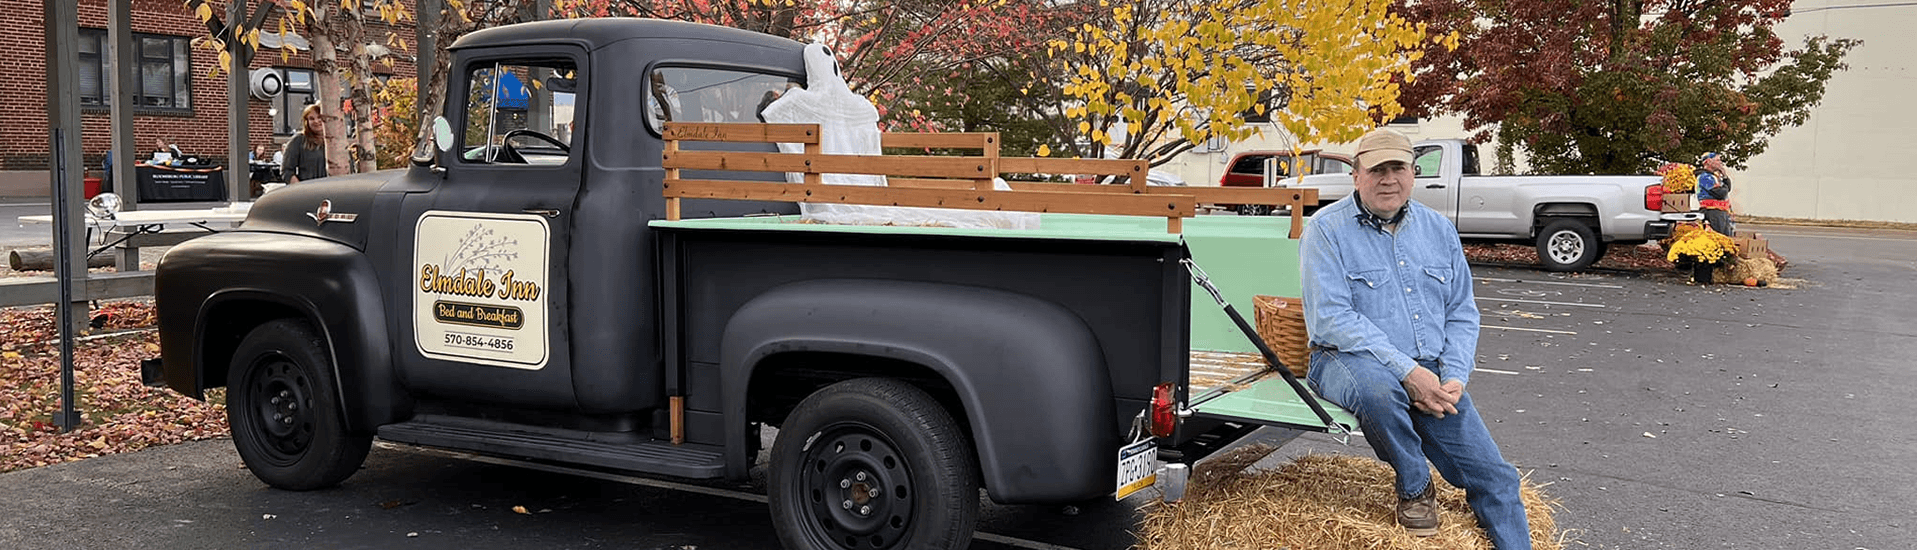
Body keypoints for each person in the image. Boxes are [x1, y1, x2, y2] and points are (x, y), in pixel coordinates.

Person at [1300, 128, 1530, 549]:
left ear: (1413, 174)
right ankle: (1415, 485)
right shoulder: (1325, 229)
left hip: (1431, 368)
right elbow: (1331, 319)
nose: (1389, 179)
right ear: (1356, 175)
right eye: (1377, 170)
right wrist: (1409, 372)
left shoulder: (1439, 230)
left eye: (1398, 168)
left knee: (1496, 478)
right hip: (1343, 359)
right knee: (1379, 390)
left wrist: (1455, 376)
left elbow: (1462, 311)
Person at [283, 104, 330, 184]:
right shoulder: (298, 140)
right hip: (309, 191)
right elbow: (287, 170)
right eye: (311, 119)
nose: (316, 121)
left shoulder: (335, 140)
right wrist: (300, 189)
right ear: (306, 121)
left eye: (319, 117)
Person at [1696, 152, 1735, 236]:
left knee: (1726, 237)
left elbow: (1727, 188)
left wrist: (1724, 176)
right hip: (1712, 211)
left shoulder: (1715, 176)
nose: (1720, 163)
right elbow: (1720, 193)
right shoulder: (1705, 177)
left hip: (1720, 211)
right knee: (1717, 236)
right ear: (1709, 162)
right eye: (1717, 160)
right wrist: (1725, 188)